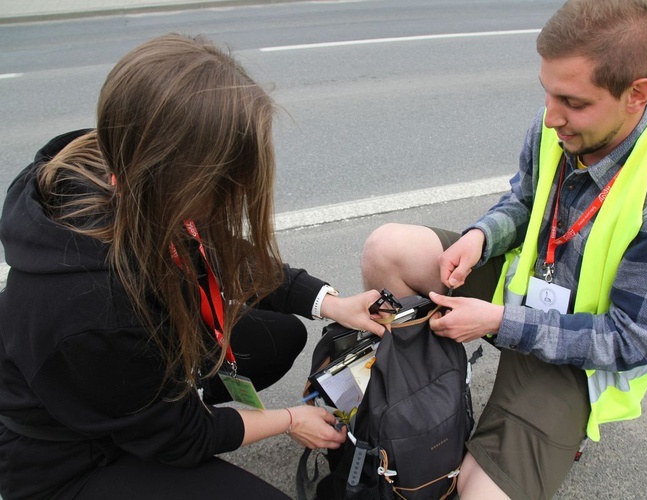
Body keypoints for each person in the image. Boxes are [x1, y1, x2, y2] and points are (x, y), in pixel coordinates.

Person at [0, 33, 389, 500]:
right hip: (68, 459)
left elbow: (224, 254)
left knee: (281, 336)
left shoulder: (131, 165)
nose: (238, 192)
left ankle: (177, 403)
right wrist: (288, 420)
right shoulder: (90, 307)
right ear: (182, 176)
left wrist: (333, 304)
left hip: (129, 374)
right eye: (227, 180)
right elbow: (181, 438)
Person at [360, 0, 647, 498]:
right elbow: (524, 201)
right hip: (518, 293)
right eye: (547, 93)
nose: (552, 118)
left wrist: (498, 323)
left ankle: (544, 430)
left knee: (478, 493)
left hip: (577, 357)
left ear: (637, 94)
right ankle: (433, 393)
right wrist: (481, 236)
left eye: (572, 102)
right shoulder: (557, 126)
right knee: (388, 250)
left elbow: (630, 340)